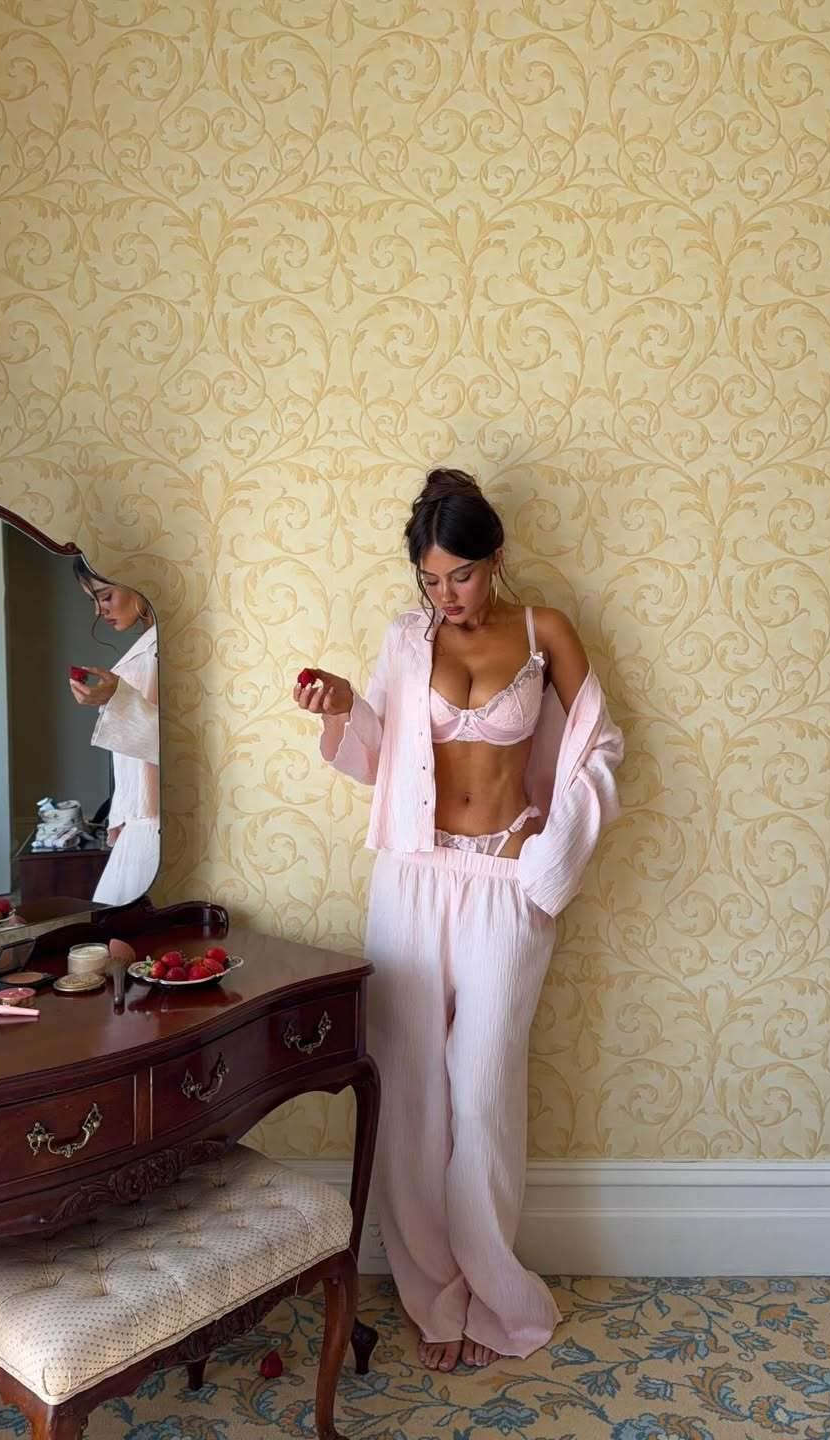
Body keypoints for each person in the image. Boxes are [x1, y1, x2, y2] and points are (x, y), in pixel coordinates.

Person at [294, 469, 624, 1372]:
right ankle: (433, 1297)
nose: (448, 595)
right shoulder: (407, 641)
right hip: (412, 876)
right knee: (409, 1094)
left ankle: (496, 1291)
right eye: (432, 579)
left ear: (496, 558)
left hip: (505, 880)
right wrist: (343, 707)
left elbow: (601, 746)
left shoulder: (546, 630)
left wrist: (546, 859)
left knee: (481, 1091)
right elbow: (379, 756)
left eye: (463, 575)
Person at [69, 559, 159, 906]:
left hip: (154, 818)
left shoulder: (161, 651)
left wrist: (116, 698)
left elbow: (175, 742)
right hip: (138, 815)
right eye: (93, 600)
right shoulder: (148, 647)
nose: (99, 611)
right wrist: (120, 813)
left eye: (106, 596)